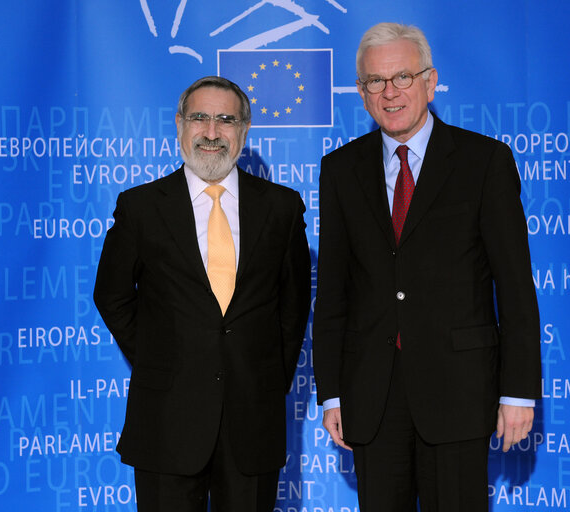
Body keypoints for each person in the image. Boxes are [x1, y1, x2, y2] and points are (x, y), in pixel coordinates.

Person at [313, 23, 541, 511]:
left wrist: (519, 392)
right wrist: (331, 394)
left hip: (460, 391)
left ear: (431, 81)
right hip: (371, 397)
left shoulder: (484, 161)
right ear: (361, 90)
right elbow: (332, 291)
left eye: (402, 77)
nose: (389, 92)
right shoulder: (339, 169)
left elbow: (516, 287)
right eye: (375, 81)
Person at [94, 76, 311, 511]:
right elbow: (112, 295)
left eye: (225, 120)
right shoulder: (140, 207)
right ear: (179, 125)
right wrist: (163, 360)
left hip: (253, 421)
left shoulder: (282, 207)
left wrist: (264, 377)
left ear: (244, 130)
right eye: (200, 118)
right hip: (166, 421)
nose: (211, 132)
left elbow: (293, 306)